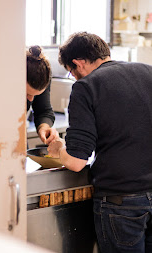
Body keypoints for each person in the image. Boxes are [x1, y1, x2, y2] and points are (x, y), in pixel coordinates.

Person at [47, 32, 152, 253]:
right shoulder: (148, 72)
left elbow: (76, 162)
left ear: (78, 63)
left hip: (121, 201)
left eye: (71, 72)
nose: (74, 77)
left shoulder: (86, 86)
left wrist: (59, 149)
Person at [27, 45, 59, 145]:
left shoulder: (43, 76)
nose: (30, 99)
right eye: (27, 94)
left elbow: (43, 111)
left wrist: (44, 127)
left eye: (35, 95)